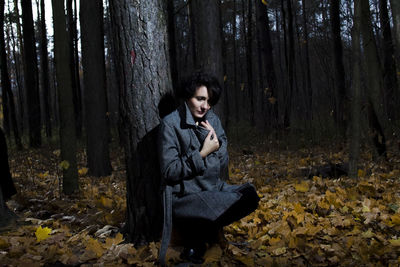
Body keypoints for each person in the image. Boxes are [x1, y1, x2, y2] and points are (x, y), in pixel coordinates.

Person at [158, 71, 259, 265]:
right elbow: (169, 171)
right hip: (185, 196)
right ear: (188, 96)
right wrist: (202, 153)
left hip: (212, 189)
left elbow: (222, 166)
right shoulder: (170, 124)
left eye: (209, 101)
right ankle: (196, 242)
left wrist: (217, 148)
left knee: (250, 195)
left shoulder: (212, 120)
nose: (205, 106)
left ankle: (199, 236)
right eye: (200, 99)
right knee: (215, 205)